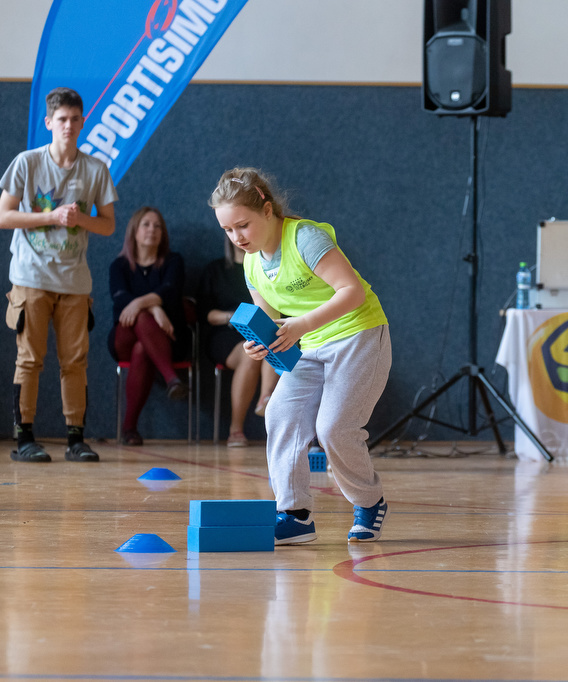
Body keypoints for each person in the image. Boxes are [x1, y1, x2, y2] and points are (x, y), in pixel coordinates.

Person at [208, 167, 391, 544]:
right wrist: (258, 344)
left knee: (334, 428)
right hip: (310, 343)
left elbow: (352, 292)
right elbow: (272, 323)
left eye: (242, 225)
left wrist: (301, 325)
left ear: (267, 210)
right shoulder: (252, 264)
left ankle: (369, 502)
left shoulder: (305, 237)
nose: (237, 237)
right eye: (227, 230)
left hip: (357, 333)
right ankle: (295, 515)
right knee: (280, 414)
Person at [0, 87, 117, 463]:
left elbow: (109, 225)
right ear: (48, 122)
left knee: (75, 361)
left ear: (83, 122)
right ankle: (24, 438)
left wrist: (81, 219)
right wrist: (50, 216)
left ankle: (75, 439)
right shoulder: (27, 162)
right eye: (61, 119)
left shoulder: (95, 169)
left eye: (75, 119)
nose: (68, 125)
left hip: (75, 281)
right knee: (29, 359)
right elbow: (3, 217)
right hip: (31, 276)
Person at [108, 207, 190, 446]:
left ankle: (129, 429)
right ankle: (171, 378)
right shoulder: (119, 266)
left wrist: (141, 304)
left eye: (157, 226)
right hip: (123, 337)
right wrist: (153, 308)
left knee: (142, 349)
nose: (152, 230)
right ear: (134, 231)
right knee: (141, 320)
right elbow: (120, 299)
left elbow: (170, 291)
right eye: (146, 224)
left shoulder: (174, 261)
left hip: (168, 338)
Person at [197, 235, 280, 447]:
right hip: (225, 333)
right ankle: (235, 429)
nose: (241, 237)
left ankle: (266, 398)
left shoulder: (264, 269)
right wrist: (233, 317)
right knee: (251, 352)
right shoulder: (215, 270)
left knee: (269, 341)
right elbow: (205, 313)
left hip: (259, 330)